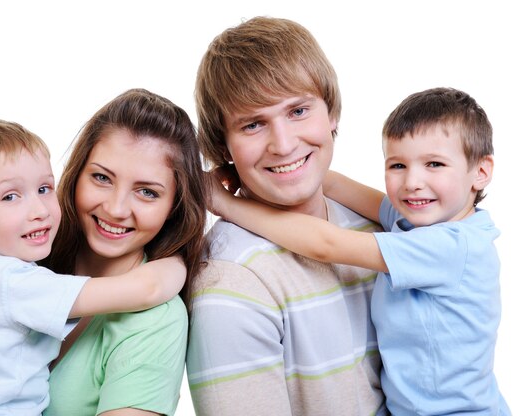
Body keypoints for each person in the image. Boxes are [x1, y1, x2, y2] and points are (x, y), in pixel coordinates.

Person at [209, 87, 511, 415]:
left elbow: (325, 244)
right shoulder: (421, 220)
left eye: (434, 164)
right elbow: (334, 185)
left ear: (480, 172)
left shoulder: (451, 247)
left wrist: (224, 203)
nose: (412, 181)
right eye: (397, 165)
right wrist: (255, 168)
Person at [0, 120, 187, 416]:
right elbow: (149, 288)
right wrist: (178, 260)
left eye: (44, 188)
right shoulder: (14, 283)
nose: (40, 210)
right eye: (10, 196)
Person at [186, 16, 385, 415]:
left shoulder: (373, 227)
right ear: (224, 147)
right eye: (253, 124)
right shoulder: (231, 280)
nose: (283, 143)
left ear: (331, 114)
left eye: (298, 111)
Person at [40, 88, 207, 416]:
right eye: (102, 178)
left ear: (174, 207)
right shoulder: (26, 263)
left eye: (147, 192)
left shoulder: (156, 320)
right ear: (76, 176)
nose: (116, 209)